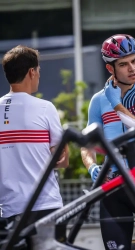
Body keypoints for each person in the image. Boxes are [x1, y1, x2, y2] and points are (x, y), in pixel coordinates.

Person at [81, 34, 135, 250]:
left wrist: (117, 105)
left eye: (134, 61)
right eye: (124, 64)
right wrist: (93, 169)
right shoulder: (98, 101)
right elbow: (87, 146)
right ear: (111, 69)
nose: (132, 68)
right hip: (113, 185)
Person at [0, 45, 69, 244]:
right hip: (45, 205)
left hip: (9, 210)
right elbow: (62, 161)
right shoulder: (45, 108)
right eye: (38, 70)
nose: (38, 75)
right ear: (32, 72)